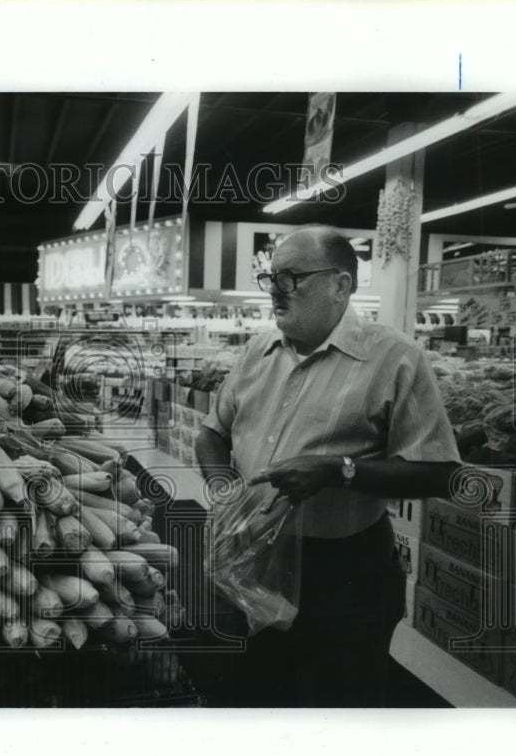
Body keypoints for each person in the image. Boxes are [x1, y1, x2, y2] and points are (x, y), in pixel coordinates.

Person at [194, 225, 461, 707]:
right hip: (254, 560)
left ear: (341, 285)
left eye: (292, 277)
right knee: (258, 697)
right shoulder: (257, 352)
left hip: (345, 574)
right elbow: (212, 432)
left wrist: (338, 470)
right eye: (271, 277)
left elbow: (439, 471)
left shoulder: (395, 358)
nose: (276, 290)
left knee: (341, 707)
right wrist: (224, 488)